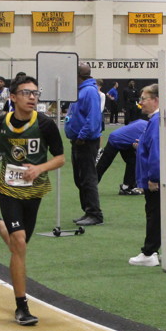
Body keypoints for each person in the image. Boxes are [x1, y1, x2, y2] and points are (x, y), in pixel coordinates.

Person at [0, 75, 65, 326]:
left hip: (34, 190)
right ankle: (21, 306)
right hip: (9, 188)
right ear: (13, 97)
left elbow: (60, 158)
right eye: (26, 93)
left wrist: (39, 168)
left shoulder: (45, 124)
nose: (32, 97)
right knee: (20, 242)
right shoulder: (1, 122)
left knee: (18, 247)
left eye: (35, 93)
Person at [129, 84, 166, 267]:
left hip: (162, 178)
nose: (141, 103)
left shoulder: (158, 120)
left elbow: (159, 150)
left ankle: (149, 252)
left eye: (143, 99)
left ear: (155, 100)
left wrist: (154, 177)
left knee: (155, 215)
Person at [65, 62, 103, 226]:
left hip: (85, 142)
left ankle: (95, 214)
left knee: (87, 178)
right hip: (79, 141)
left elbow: (93, 118)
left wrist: (82, 136)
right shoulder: (82, 90)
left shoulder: (89, 91)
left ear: (78, 76)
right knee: (80, 178)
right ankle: (88, 210)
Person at [97, 116, 148, 195]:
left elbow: (130, 125)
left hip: (124, 140)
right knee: (103, 164)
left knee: (133, 161)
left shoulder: (143, 122)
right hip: (116, 140)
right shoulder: (149, 130)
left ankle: (126, 187)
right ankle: (90, 185)